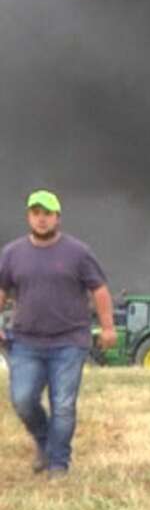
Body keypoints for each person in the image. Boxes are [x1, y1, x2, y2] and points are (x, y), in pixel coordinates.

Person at [0, 189, 115, 478]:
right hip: (26, 341)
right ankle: (45, 443)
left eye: (47, 214)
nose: (41, 219)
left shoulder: (78, 252)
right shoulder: (12, 254)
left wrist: (108, 326)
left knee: (63, 405)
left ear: (57, 218)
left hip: (70, 341)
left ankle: (58, 465)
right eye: (36, 213)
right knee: (23, 400)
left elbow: (99, 289)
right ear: (28, 216)